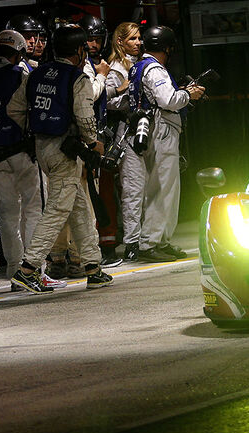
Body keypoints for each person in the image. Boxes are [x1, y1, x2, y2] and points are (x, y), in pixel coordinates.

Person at [7, 24, 112, 294]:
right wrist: (92, 143)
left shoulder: (36, 74)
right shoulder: (77, 78)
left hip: (43, 148)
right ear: (80, 50)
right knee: (56, 211)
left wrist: (35, 131)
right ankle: (27, 270)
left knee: (77, 206)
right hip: (67, 150)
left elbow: (14, 108)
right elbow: (85, 118)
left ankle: (93, 267)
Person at [126, 24, 204, 263]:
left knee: (158, 189)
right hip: (162, 131)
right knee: (163, 189)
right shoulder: (155, 69)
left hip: (148, 130)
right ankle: (151, 243)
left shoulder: (139, 67)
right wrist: (189, 94)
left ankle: (160, 241)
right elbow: (168, 99)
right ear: (167, 47)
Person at [0, 29, 46, 285]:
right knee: (34, 210)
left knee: (6, 215)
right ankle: (33, 269)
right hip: (22, 151)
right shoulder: (20, 74)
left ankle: (14, 269)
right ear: (19, 52)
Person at [78, 13, 122, 268]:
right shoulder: (84, 66)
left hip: (101, 135)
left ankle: (107, 245)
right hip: (86, 140)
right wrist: (103, 76)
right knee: (89, 197)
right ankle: (92, 250)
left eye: (96, 39)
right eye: (89, 40)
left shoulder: (100, 64)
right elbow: (91, 95)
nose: (93, 44)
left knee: (104, 193)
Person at [104, 21, 142, 262]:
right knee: (131, 190)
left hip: (146, 129)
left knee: (149, 189)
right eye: (133, 39)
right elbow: (106, 101)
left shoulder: (144, 64)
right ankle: (131, 242)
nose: (138, 43)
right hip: (125, 132)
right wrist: (126, 90)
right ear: (120, 41)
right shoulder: (114, 68)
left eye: (139, 38)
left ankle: (147, 238)